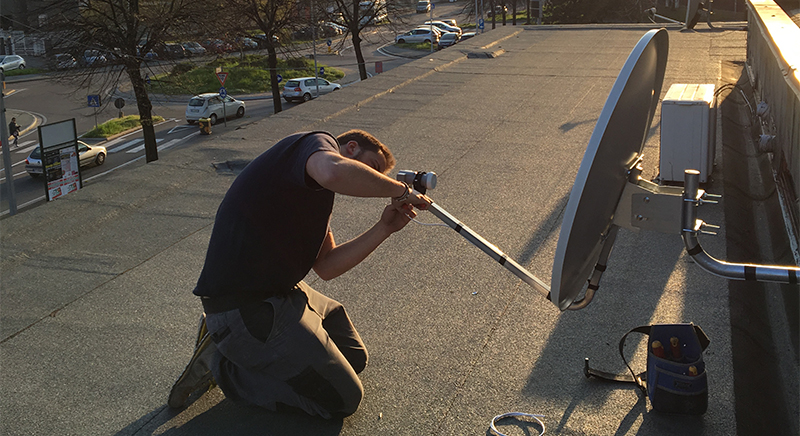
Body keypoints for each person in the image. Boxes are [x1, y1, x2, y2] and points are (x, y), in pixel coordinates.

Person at [168, 130, 431, 418]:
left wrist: (385, 228)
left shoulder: (317, 194)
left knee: (352, 356)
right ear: (351, 148)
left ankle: (256, 353)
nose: (376, 178)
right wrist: (401, 190)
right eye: (373, 168)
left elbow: (327, 266)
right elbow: (333, 171)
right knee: (343, 399)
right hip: (243, 308)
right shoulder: (313, 144)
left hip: (283, 293)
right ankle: (224, 366)